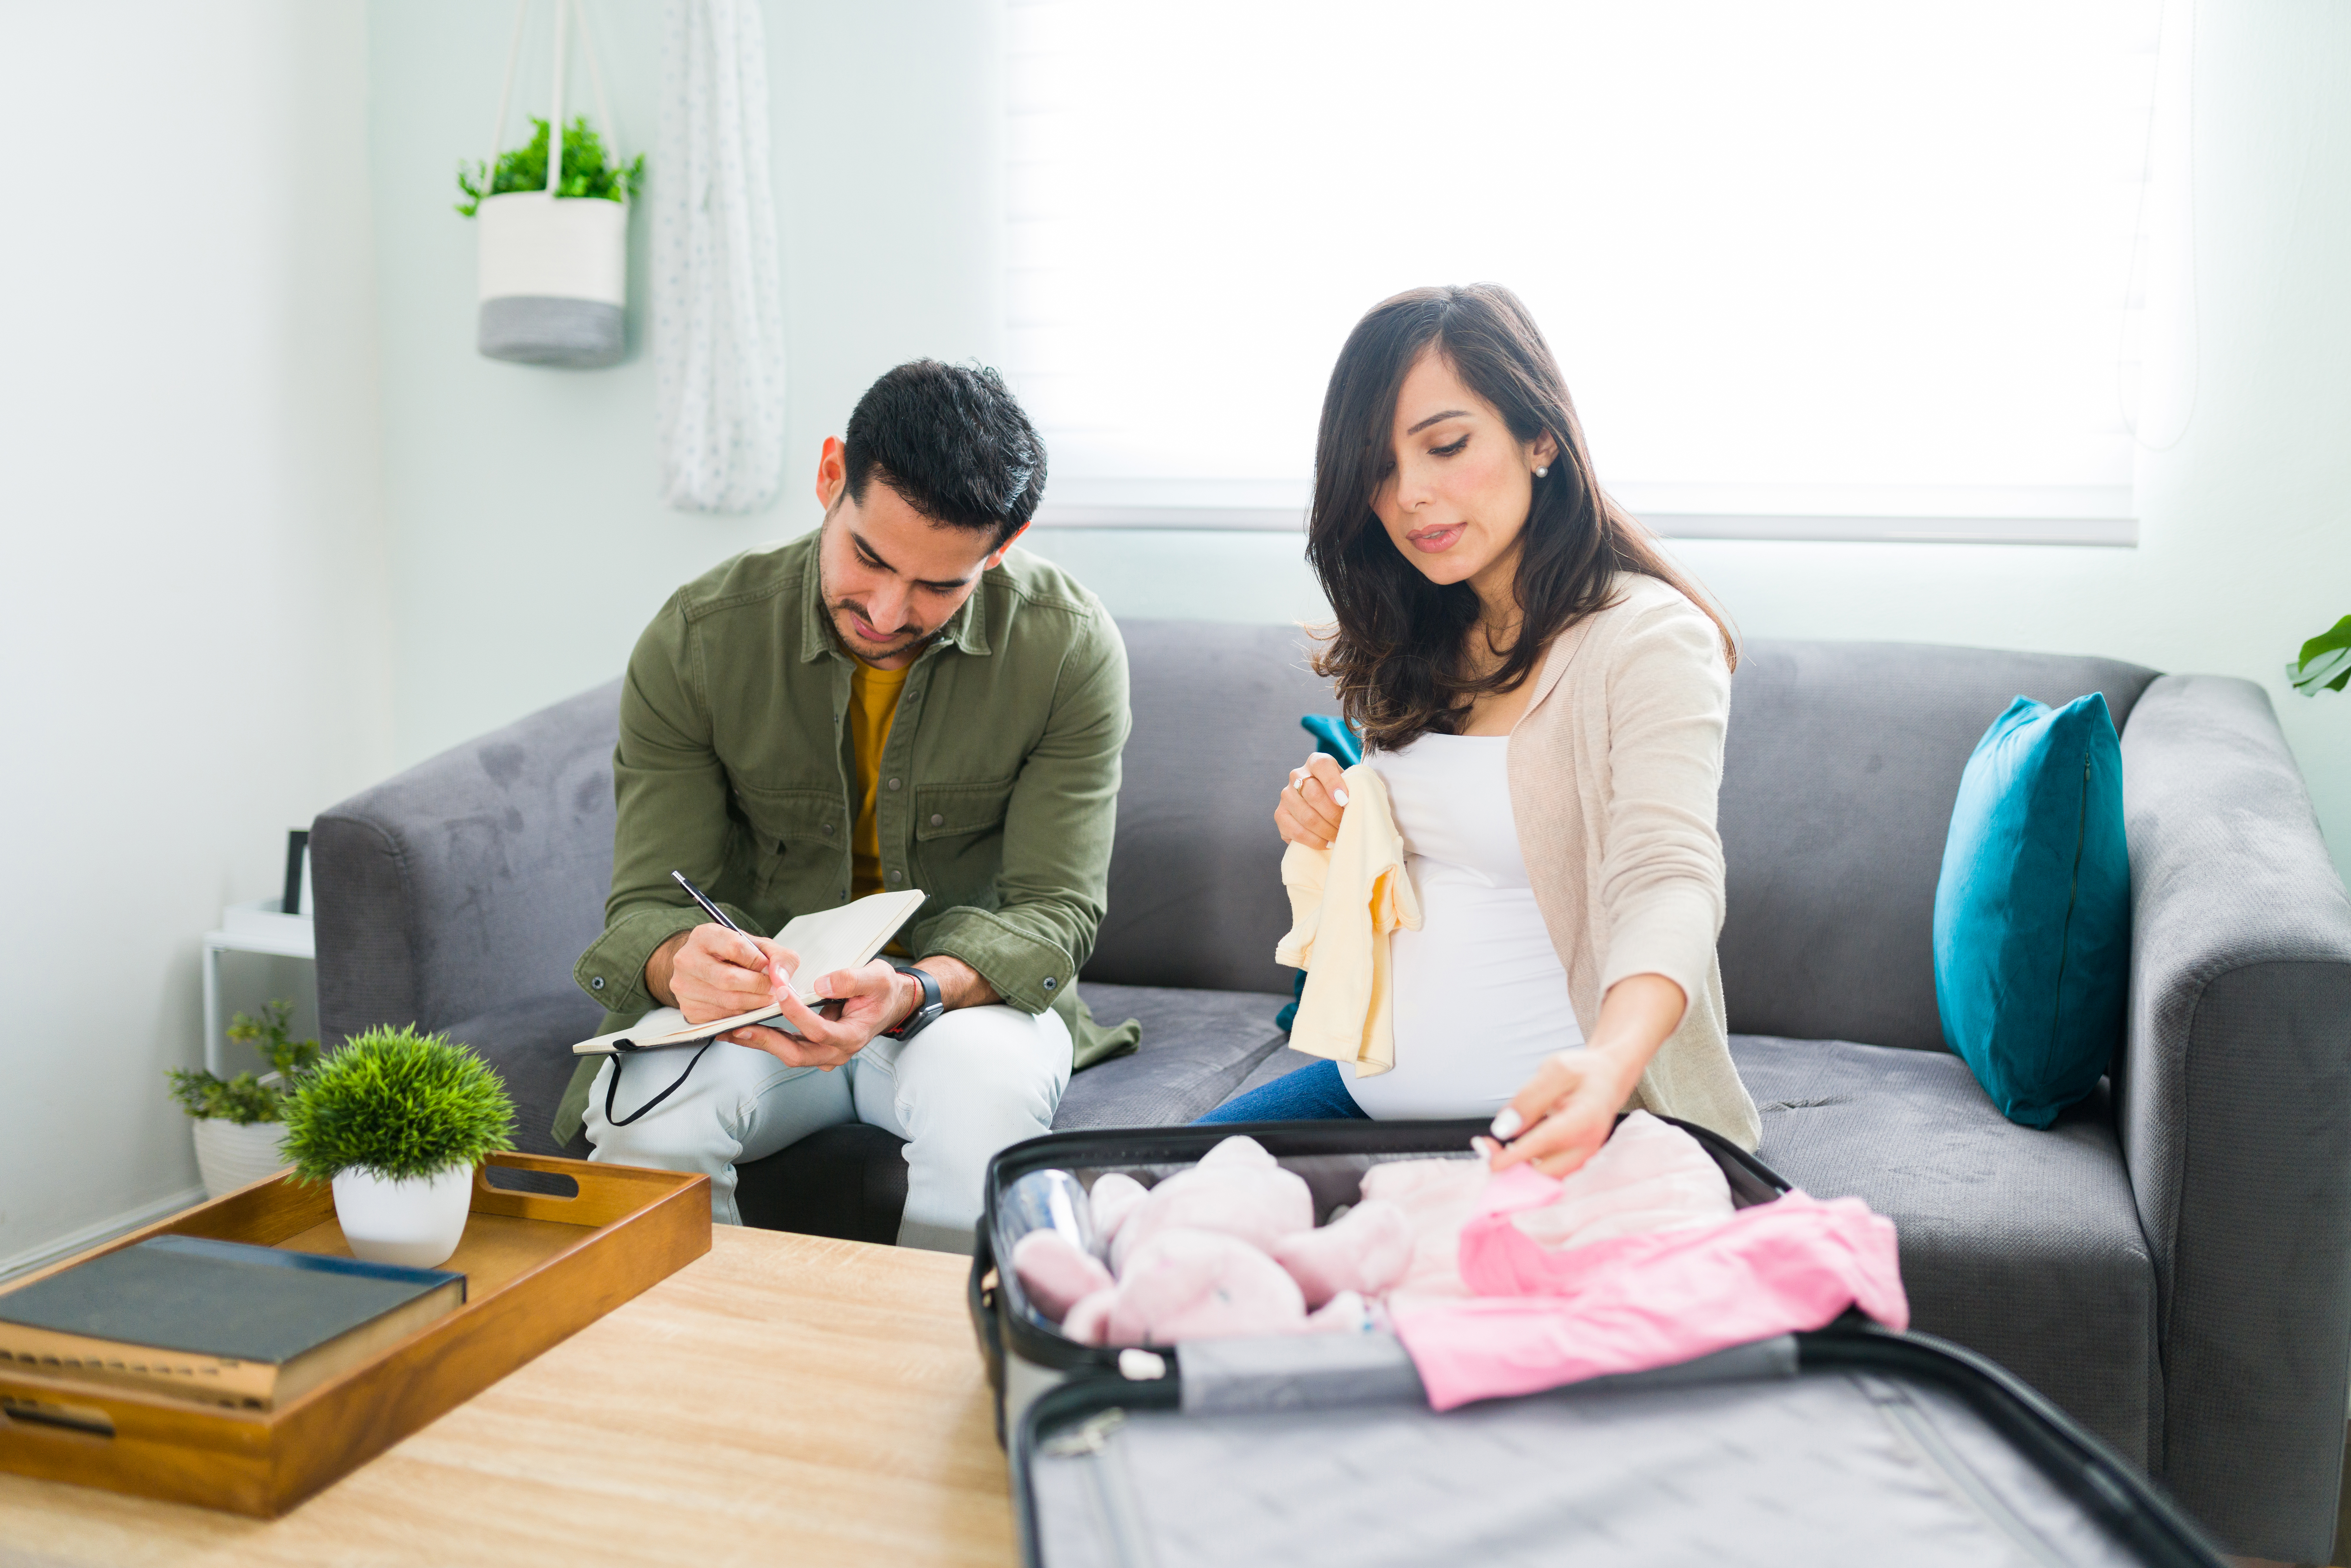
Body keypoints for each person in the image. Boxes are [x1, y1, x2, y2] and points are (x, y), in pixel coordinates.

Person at [551, 360, 1136, 1250]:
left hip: (958, 1008)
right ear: (832, 476)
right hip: (763, 1018)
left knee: (981, 1103)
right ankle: (697, 1341)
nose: (889, 612)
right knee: (644, 1119)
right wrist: (678, 963)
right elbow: (646, 906)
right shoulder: (699, 641)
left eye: (940, 586)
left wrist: (913, 990)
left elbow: (1056, 913)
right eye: (869, 557)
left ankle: (939, 1342)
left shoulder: (1068, 649)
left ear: (1003, 546)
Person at [1201, 284, 1760, 1179]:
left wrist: (1610, 1066)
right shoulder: (1421, 630)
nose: (1410, 496)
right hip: (1367, 1096)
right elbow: (1447, 855)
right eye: (1378, 468)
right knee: (1115, 1195)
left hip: (1560, 1124)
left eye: (1447, 446)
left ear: (1541, 438)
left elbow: (1670, 876)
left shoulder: (1648, 639)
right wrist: (1341, 823)